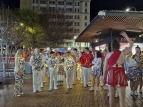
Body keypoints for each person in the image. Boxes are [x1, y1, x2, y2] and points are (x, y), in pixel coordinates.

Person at [103, 32, 133, 107]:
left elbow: (105, 67)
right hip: (121, 75)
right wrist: (126, 36)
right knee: (122, 98)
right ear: (119, 46)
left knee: (111, 95)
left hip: (111, 75)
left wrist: (103, 76)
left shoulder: (108, 54)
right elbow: (131, 44)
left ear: (112, 46)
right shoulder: (123, 53)